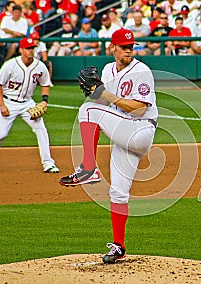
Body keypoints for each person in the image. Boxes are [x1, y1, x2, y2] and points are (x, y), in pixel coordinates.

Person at [59, 28, 158, 264]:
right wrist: (97, 93)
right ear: (112, 47)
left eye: (131, 46)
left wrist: (105, 97)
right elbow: (104, 101)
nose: (128, 50)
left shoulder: (141, 71)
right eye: (123, 46)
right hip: (124, 132)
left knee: (86, 109)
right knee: (118, 192)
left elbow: (141, 108)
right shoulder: (107, 69)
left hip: (141, 129)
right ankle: (119, 246)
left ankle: (89, 167)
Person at [0, 37, 59, 174]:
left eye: (32, 48)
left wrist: (44, 100)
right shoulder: (10, 65)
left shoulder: (40, 66)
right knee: (0, 133)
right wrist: (2, 105)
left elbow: (45, 83)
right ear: (21, 50)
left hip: (27, 103)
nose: (30, 51)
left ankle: (48, 163)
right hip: (8, 102)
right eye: (28, 48)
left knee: (41, 129)